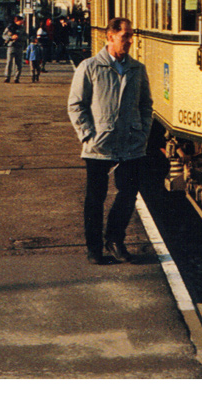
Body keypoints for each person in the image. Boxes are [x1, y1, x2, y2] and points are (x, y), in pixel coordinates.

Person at [67, 18, 153, 265]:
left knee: (128, 194)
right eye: (125, 35)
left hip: (131, 144)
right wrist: (87, 134)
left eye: (130, 35)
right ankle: (94, 248)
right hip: (99, 146)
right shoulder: (90, 66)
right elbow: (76, 105)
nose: (129, 40)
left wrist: (143, 131)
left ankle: (115, 240)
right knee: (95, 199)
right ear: (110, 37)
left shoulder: (138, 68)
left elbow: (146, 104)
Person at [3, 15, 27, 83]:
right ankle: (7, 77)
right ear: (17, 21)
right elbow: (4, 35)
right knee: (9, 62)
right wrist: (11, 38)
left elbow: (25, 36)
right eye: (21, 21)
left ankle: (16, 78)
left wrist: (19, 37)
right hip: (11, 46)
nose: (22, 22)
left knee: (19, 63)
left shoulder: (22, 28)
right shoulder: (9, 27)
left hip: (19, 46)